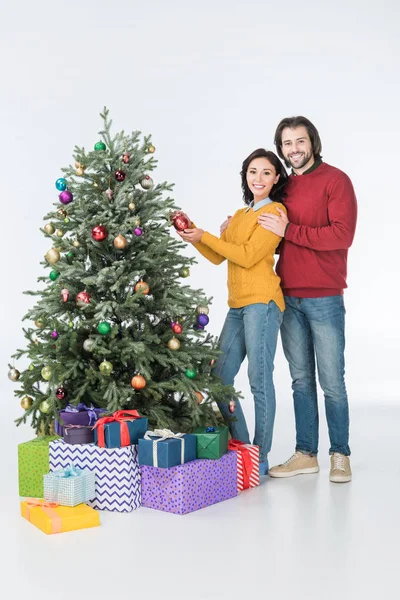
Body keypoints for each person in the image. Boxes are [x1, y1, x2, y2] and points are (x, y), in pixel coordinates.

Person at [256, 116, 358, 483]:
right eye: (287, 144)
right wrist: (236, 227)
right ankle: (305, 454)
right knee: (300, 380)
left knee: (332, 381)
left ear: (312, 142)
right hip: (288, 296)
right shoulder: (284, 188)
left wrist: (290, 230)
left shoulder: (336, 181)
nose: (293, 149)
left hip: (325, 296)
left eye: (300, 141)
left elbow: (341, 235)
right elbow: (274, 235)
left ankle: (340, 454)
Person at [174, 148, 288, 475]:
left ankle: (260, 456)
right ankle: (243, 445)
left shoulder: (275, 212)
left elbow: (250, 256)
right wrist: (194, 236)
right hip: (237, 306)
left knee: (258, 378)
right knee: (220, 377)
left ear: (276, 178)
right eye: (253, 172)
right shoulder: (240, 216)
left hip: (262, 303)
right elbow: (218, 257)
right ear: (245, 176)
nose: (259, 178)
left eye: (266, 172)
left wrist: (207, 235)